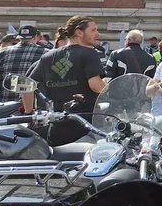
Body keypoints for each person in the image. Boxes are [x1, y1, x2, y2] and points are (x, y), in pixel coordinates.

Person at [23, 16, 107, 145]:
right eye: (93, 30)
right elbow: (95, 86)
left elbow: (26, 86)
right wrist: (109, 88)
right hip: (85, 125)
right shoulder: (89, 53)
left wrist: (29, 113)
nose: (97, 34)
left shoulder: (48, 56)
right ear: (79, 32)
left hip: (57, 126)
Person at [0, 24, 47, 100]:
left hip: (6, 101)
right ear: (35, 37)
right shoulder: (45, 53)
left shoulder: (2, 52)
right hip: (35, 102)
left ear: (19, 38)